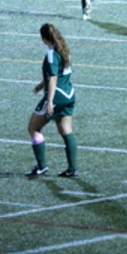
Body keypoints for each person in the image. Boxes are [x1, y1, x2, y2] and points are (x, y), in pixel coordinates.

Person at [26, 23, 78, 178]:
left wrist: (49, 101)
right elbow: (58, 73)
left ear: (44, 38)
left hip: (56, 96)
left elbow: (54, 77)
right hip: (69, 95)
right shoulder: (65, 50)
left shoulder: (51, 54)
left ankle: (42, 166)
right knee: (66, 131)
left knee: (33, 128)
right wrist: (42, 84)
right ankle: (72, 169)